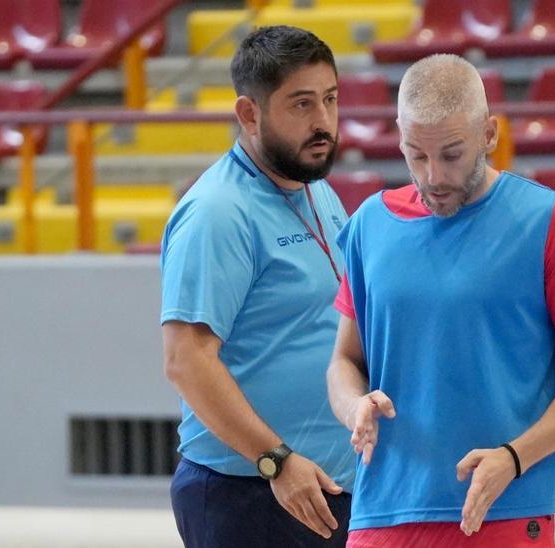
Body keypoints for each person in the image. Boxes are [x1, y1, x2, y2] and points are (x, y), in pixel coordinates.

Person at [326, 54, 555, 547]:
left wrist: (516, 456)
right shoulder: (371, 224)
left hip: (502, 510)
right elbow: (344, 360)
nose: (433, 175)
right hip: (382, 509)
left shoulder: (550, 221)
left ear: (488, 135)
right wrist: (353, 406)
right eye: (416, 155)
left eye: (452, 154)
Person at [160, 26, 354, 547]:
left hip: (326, 487)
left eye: (330, 100)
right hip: (251, 491)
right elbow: (186, 360)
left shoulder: (318, 190)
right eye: (301, 105)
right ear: (249, 115)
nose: (323, 123)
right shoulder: (218, 213)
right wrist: (277, 461)